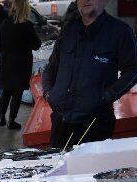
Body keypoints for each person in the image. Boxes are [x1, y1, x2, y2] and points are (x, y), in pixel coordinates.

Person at [42, 0, 137, 148]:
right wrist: (48, 93)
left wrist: (106, 96)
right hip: (61, 121)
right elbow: (50, 68)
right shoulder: (68, 32)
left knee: (89, 169)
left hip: (95, 123)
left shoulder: (120, 32)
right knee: (59, 168)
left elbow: (132, 70)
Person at [0, 0, 41, 129]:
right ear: (25, 9)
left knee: (6, 91)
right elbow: (36, 45)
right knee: (17, 92)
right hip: (21, 64)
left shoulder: (5, 23)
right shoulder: (27, 25)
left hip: (6, 62)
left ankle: (1, 118)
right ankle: (11, 120)